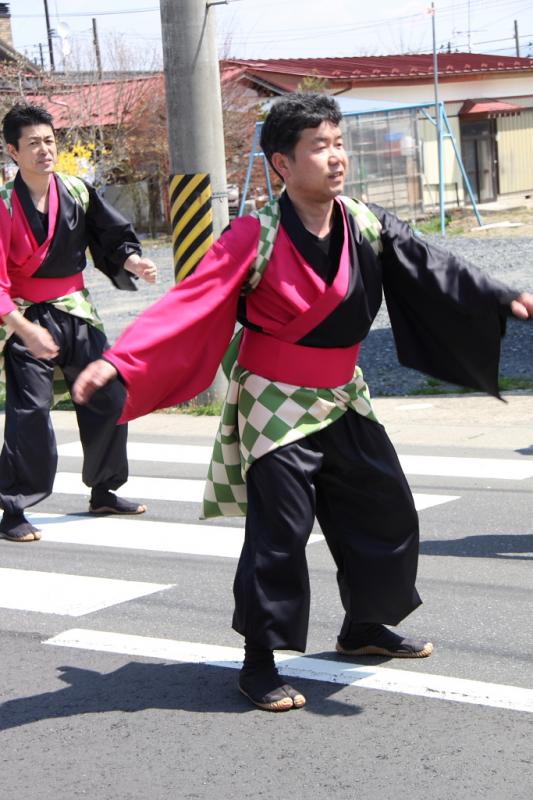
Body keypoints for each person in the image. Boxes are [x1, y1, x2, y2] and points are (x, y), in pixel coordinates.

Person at [72, 93, 533, 712]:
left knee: (387, 510)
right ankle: (259, 662)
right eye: (320, 146)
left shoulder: (363, 222)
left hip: (344, 395)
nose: (337, 157)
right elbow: (190, 300)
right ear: (283, 164)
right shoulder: (252, 235)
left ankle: (364, 627)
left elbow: (433, 263)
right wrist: (118, 358)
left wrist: (500, 296)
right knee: (280, 536)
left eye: (339, 142)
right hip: (275, 401)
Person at [0, 103, 157, 543]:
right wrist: (23, 328)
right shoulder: (2, 206)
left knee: (109, 395)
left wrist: (133, 260)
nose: (44, 149)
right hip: (25, 314)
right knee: (30, 411)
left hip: (76, 309)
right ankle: (13, 508)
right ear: (12, 150)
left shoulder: (77, 190)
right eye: (32, 143)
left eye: (49, 140)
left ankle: (104, 490)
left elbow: (111, 236)